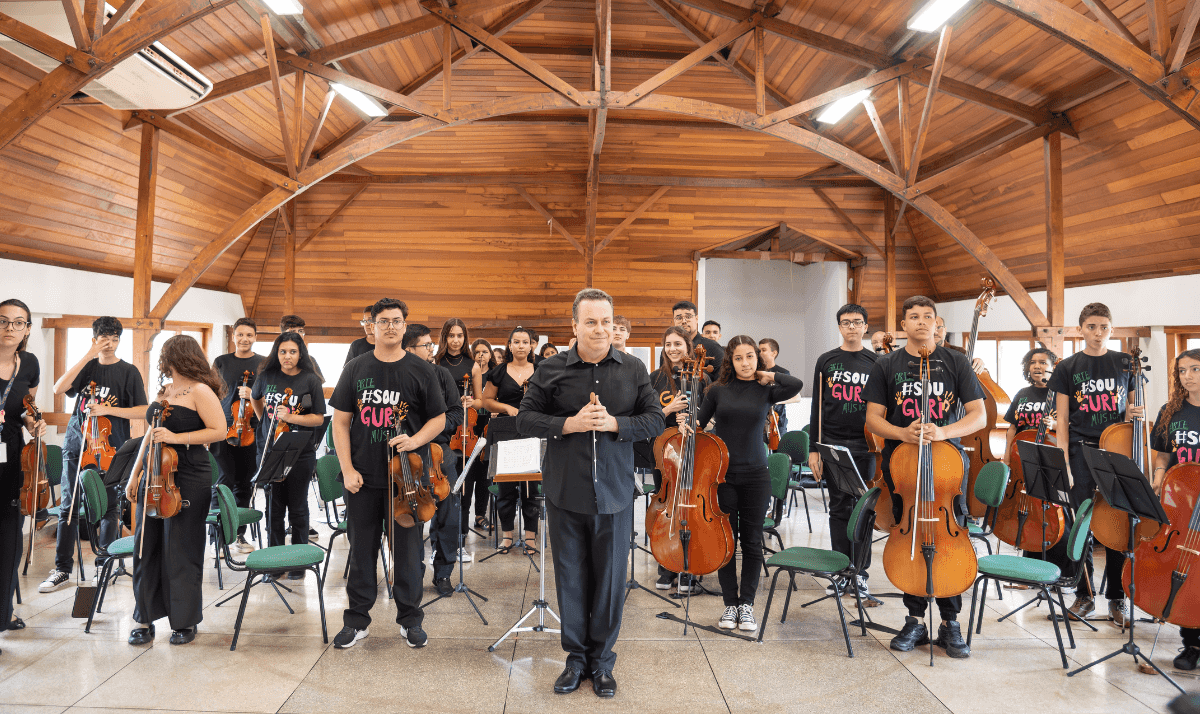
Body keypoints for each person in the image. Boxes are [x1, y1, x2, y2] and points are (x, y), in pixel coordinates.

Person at [516, 288, 664, 698]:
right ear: (575, 325)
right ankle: (576, 659)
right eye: (591, 321)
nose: (600, 329)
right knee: (571, 579)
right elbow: (525, 419)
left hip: (615, 493)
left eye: (607, 322)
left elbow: (654, 420)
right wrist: (570, 425)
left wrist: (616, 425)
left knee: (610, 582)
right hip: (566, 491)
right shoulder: (550, 369)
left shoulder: (634, 369)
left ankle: (602, 663)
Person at [864, 295, 985, 659]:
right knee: (911, 536)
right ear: (903, 325)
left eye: (927, 316)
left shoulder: (956, 361)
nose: (920, 322)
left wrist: (944, 433)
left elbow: (978, 416)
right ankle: (914, 618)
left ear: (936, 322)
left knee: (948, 537)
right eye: (913, 317)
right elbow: (873, 418)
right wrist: (904, 434)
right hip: (903, 465)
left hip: (947, 464)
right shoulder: (887, 364)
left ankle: (951, 623)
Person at [330, 298, 446, 649]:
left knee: (409, 554)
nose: (391, 326)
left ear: (404, 325)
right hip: (362, 479)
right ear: (373, 326)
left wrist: (415, 440)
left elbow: (438, 418)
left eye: (397, 321)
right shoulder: (355, 367)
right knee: (361, 550)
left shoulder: (422, 369)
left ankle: (410, 620)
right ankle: (357, 621)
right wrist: (347, 469)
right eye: (384, 321)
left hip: (407, 481)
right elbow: (340, 421)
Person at [683, 335, 802, 634]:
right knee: (726, 542)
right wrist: (688, 424)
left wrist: (769, 374)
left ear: (757, 358)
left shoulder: (767, 389)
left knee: (751, 542)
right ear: (730, 360)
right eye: (739, 358)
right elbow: (699, 423)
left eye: (750, 356)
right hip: (721, 476)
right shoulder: (717, 390)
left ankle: (746, 604)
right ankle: (730, 604)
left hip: (756, 475)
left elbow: (796, 384)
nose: (745, 363)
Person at [126, 336, 227, 646]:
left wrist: (176, 435)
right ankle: (143, 617)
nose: (163, 363)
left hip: (190, 475)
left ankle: (184, 622)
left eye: (165, 356)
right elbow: (150, 436)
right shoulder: (165, 391)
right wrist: (135, 474)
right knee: (146, 546)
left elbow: (219, 430)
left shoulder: (200, 391)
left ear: (177, 358)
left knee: (182, 549)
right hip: (155, 474)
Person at [1047, 302, 1140, 625]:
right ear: (1081, 329)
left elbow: (1130, 412)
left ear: (1111, 330)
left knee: (1117, 525)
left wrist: (1136, 414)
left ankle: (1118, 598)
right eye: (1092, 327)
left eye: (1104, 327)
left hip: (1115, 452)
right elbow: (1061, 421)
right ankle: (1084, 596)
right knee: (1080, 525)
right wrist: (1065, 463)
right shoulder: (1068, 367)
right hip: (1080, 451)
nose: (1098, 333)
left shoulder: (1126, 363)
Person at [42, 316, 147, 593]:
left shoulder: (129, 372)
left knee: (110, 508)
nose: (109, 344)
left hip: (112, 450)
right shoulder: (87, 367)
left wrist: (108, 410)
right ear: (95, 339)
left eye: (114, 339)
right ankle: (62, 569)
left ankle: (104, 564)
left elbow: (142, 410)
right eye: (104, 339)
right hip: (77, 446)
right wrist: (89, 353)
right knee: (68, 508)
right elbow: (58, 388)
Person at [808, 304, 879, 602]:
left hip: (867, 445)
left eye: (857, 322)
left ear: (865, 327)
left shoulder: (877, 362)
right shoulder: (826, 361)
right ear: (839, 326)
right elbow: (817, 408)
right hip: (833, 445)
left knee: (864, 510)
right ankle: (840, 569)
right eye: (846, 322)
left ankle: (860, 574)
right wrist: (814, 449)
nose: (852, 327)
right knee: (838, 507)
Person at [251, 332, 326, 579]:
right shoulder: (266, 376)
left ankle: (298, 562)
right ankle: (274, 563)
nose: (287, 356)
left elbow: (317, 418)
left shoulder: (310, 380)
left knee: (298, 507)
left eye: (293, 352)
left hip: (300, 452)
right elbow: (255, 399)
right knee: (274, 508)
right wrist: (265, 422)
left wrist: (290, 417)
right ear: (277, 353)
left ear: (300, 354)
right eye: (283, 351)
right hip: (270, 450)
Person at [404, 324, 464, 596]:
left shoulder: (441, 374)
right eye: (426, 345)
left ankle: (443, 573)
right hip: (406, 456)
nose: (432, 349)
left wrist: (432, 429)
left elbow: (455, 413)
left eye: (431, 344)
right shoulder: (398, 377)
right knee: (412, 516)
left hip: (440, 454)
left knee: (449, 516)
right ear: (409, 349)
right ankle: (412, 572)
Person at [1150, 348, 1200, 672]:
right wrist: (1157, 477)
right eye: (1182, 371)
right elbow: (1163, 456)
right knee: (1186, 566)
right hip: (1182, 502)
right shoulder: (1171, 411)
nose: (1188, 376)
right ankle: (1191, 642)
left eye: (1194, 369)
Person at [649, 326, 709, 594]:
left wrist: (695, 421)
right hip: (665, 452)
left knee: (692, 507)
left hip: (693, 448)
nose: (673, 349)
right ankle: (667, 565)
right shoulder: (654, 378)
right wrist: (668, 409)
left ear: (688, 346)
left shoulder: (702, 378)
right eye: (668, 344)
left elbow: (711, 413)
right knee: (667, 506)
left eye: (678, 344)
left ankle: (691, 566)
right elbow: (647, 417)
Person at [0, 299, 46, 635]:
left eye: (18, 322)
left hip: (11, 459)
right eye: (3, 321)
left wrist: (34, 424)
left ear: (27, 329)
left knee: (8, 541)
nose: (10, 328)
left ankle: (2, 615)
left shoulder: (28, 363)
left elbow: (26, 410)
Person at [480, 327, 539, 555]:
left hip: (533, 431)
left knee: (531, 487)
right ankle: (507, 536)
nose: (521, 345)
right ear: (510, 345)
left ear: (531, 345)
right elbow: (486, 401)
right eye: (517, 342)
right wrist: (506, 407)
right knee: (506, 487)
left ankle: (531, 537)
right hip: (506, 432)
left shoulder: (541, 369)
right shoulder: (499, 372)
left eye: (525, 342)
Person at [210, 317, 263, 554]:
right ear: (233, 337)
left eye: (249, 335)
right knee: (223, 483)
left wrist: (252, 394)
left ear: (255, 337)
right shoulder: (221, 362)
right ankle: (219, 538)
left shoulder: (263, 363)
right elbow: (210, 393)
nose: (244, 339)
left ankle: (239, 535)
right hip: (224, 428)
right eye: (240, 335)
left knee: (246, 484)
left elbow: (267, 394)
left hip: (252, 430)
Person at [1000, 348, 1061, 550]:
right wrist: (1007, 458)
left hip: (1049, 459)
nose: (1037, 366)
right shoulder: (1022, 394)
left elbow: (1072, 427)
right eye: (1033, 362)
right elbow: (1012, 428)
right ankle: (1028, 552)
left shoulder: (1061, 395)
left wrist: (1054, 424)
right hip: (1021, 459)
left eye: (1043, 362)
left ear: (1053, 368)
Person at [460, 338, 497, 535]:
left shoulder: (494, 376)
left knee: (485, 475)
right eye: (477, 352)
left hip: (487, 428)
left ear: (490, 355)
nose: (481, 355)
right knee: (469, 473)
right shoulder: (468, 374)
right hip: (469, 429)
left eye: (484, 351)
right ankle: (463, 515)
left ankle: (480, 515)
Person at [672, 301, 722, 371]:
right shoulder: (669, 350)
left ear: (696, 319)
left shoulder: (713, 347)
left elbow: (722, 380)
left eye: (688, 317)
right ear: (674, 321)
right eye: (679, 318)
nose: (683, 321)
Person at [758, 338, 790, 433]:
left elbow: (794, 397)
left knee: (778, 447)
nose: (760, 353)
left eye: (764, 350)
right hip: (758, 422)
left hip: (777, 422)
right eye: (759, 351)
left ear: (774, 353)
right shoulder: (755, 372)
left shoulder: (783, 373)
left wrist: (775, 400)